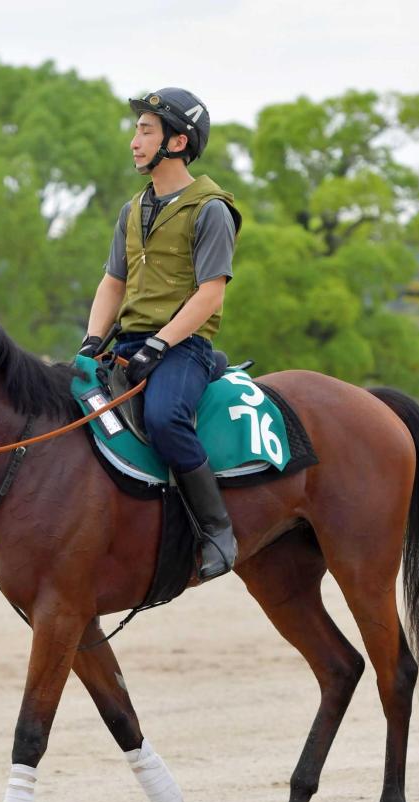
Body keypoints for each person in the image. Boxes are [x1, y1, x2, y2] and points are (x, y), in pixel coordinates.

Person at [79, 87, 242, 580]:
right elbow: (113, 282)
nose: (134, 140)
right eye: (137, 130)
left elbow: (211, 293)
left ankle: (218, 531)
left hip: (183, 348)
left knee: (167, 417)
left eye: (146, 130)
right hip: (127, 345)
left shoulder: (210, 209)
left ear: (177, 141)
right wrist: (90, 342)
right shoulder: (131, 210)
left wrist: (161, 343)